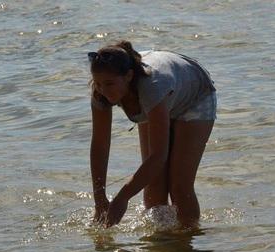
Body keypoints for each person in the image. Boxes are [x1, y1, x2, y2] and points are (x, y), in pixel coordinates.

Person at [88, 40, 216, 228]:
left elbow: (158, 156)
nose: (104, 90)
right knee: (154, 184)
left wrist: (122, 198)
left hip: (195, 96)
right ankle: (160, 239)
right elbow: (99, 146)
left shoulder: (151, 87)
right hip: (158, 97)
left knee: (180, 187)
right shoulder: (100, 93)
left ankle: (186, 241)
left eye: (109, 83)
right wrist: (100, 200)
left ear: (129, 76)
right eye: (99, 83)